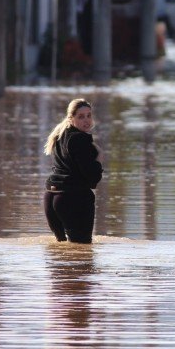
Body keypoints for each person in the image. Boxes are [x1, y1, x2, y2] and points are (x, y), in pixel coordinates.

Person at [43, 98, 103, 243]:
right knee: (83, 255)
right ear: (71, 118)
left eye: (89, 115)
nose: (86, 120)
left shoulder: (59, 135)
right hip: (72, 198)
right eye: (81, 117)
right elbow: (92, 177)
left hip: (51, 197)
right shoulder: (80, 139)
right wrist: (99, 159)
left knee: (60, 257)